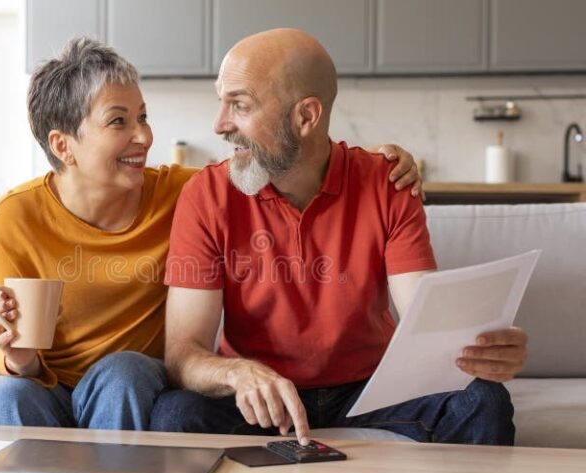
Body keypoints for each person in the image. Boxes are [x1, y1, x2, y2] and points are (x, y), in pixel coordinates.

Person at [0, 36, 425, 430]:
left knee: (123, 371)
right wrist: (19, 355)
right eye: (119, 121)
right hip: (39, 382)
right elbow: (13, 352)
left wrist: (379, 162)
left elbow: (275, 160)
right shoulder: (16, 217)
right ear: (62, 145)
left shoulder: (183, 192)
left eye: (142, 117)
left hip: (124, 385)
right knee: (2, 396)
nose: (143, 136)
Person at [151, 29, 528, 446]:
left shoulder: (386, 184)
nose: (219, 125)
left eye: (239, 105)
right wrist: (235, 373)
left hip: (369, 392)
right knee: (175, 413)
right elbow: (184, 353)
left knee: (483, 401)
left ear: (306, 117)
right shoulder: (207, 195)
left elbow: (423, 314)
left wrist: (485, 348)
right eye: (221, 102)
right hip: (260, 400)